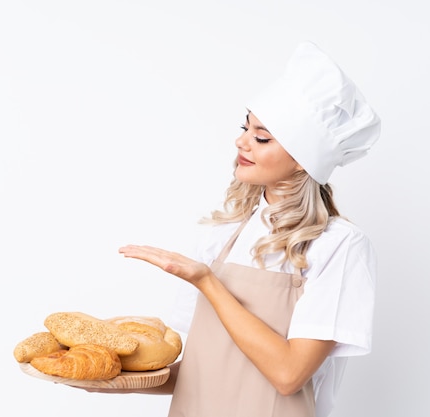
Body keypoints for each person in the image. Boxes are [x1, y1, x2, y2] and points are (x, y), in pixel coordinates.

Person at [112, 41, 380, 417]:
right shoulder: (222, 234)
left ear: (304, 161)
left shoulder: (339, 246)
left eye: (262, 136)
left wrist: (207, 282)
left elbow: (289, 374)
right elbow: (203, 372)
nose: (241, 141)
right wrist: (115, 378)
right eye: (245, 127)